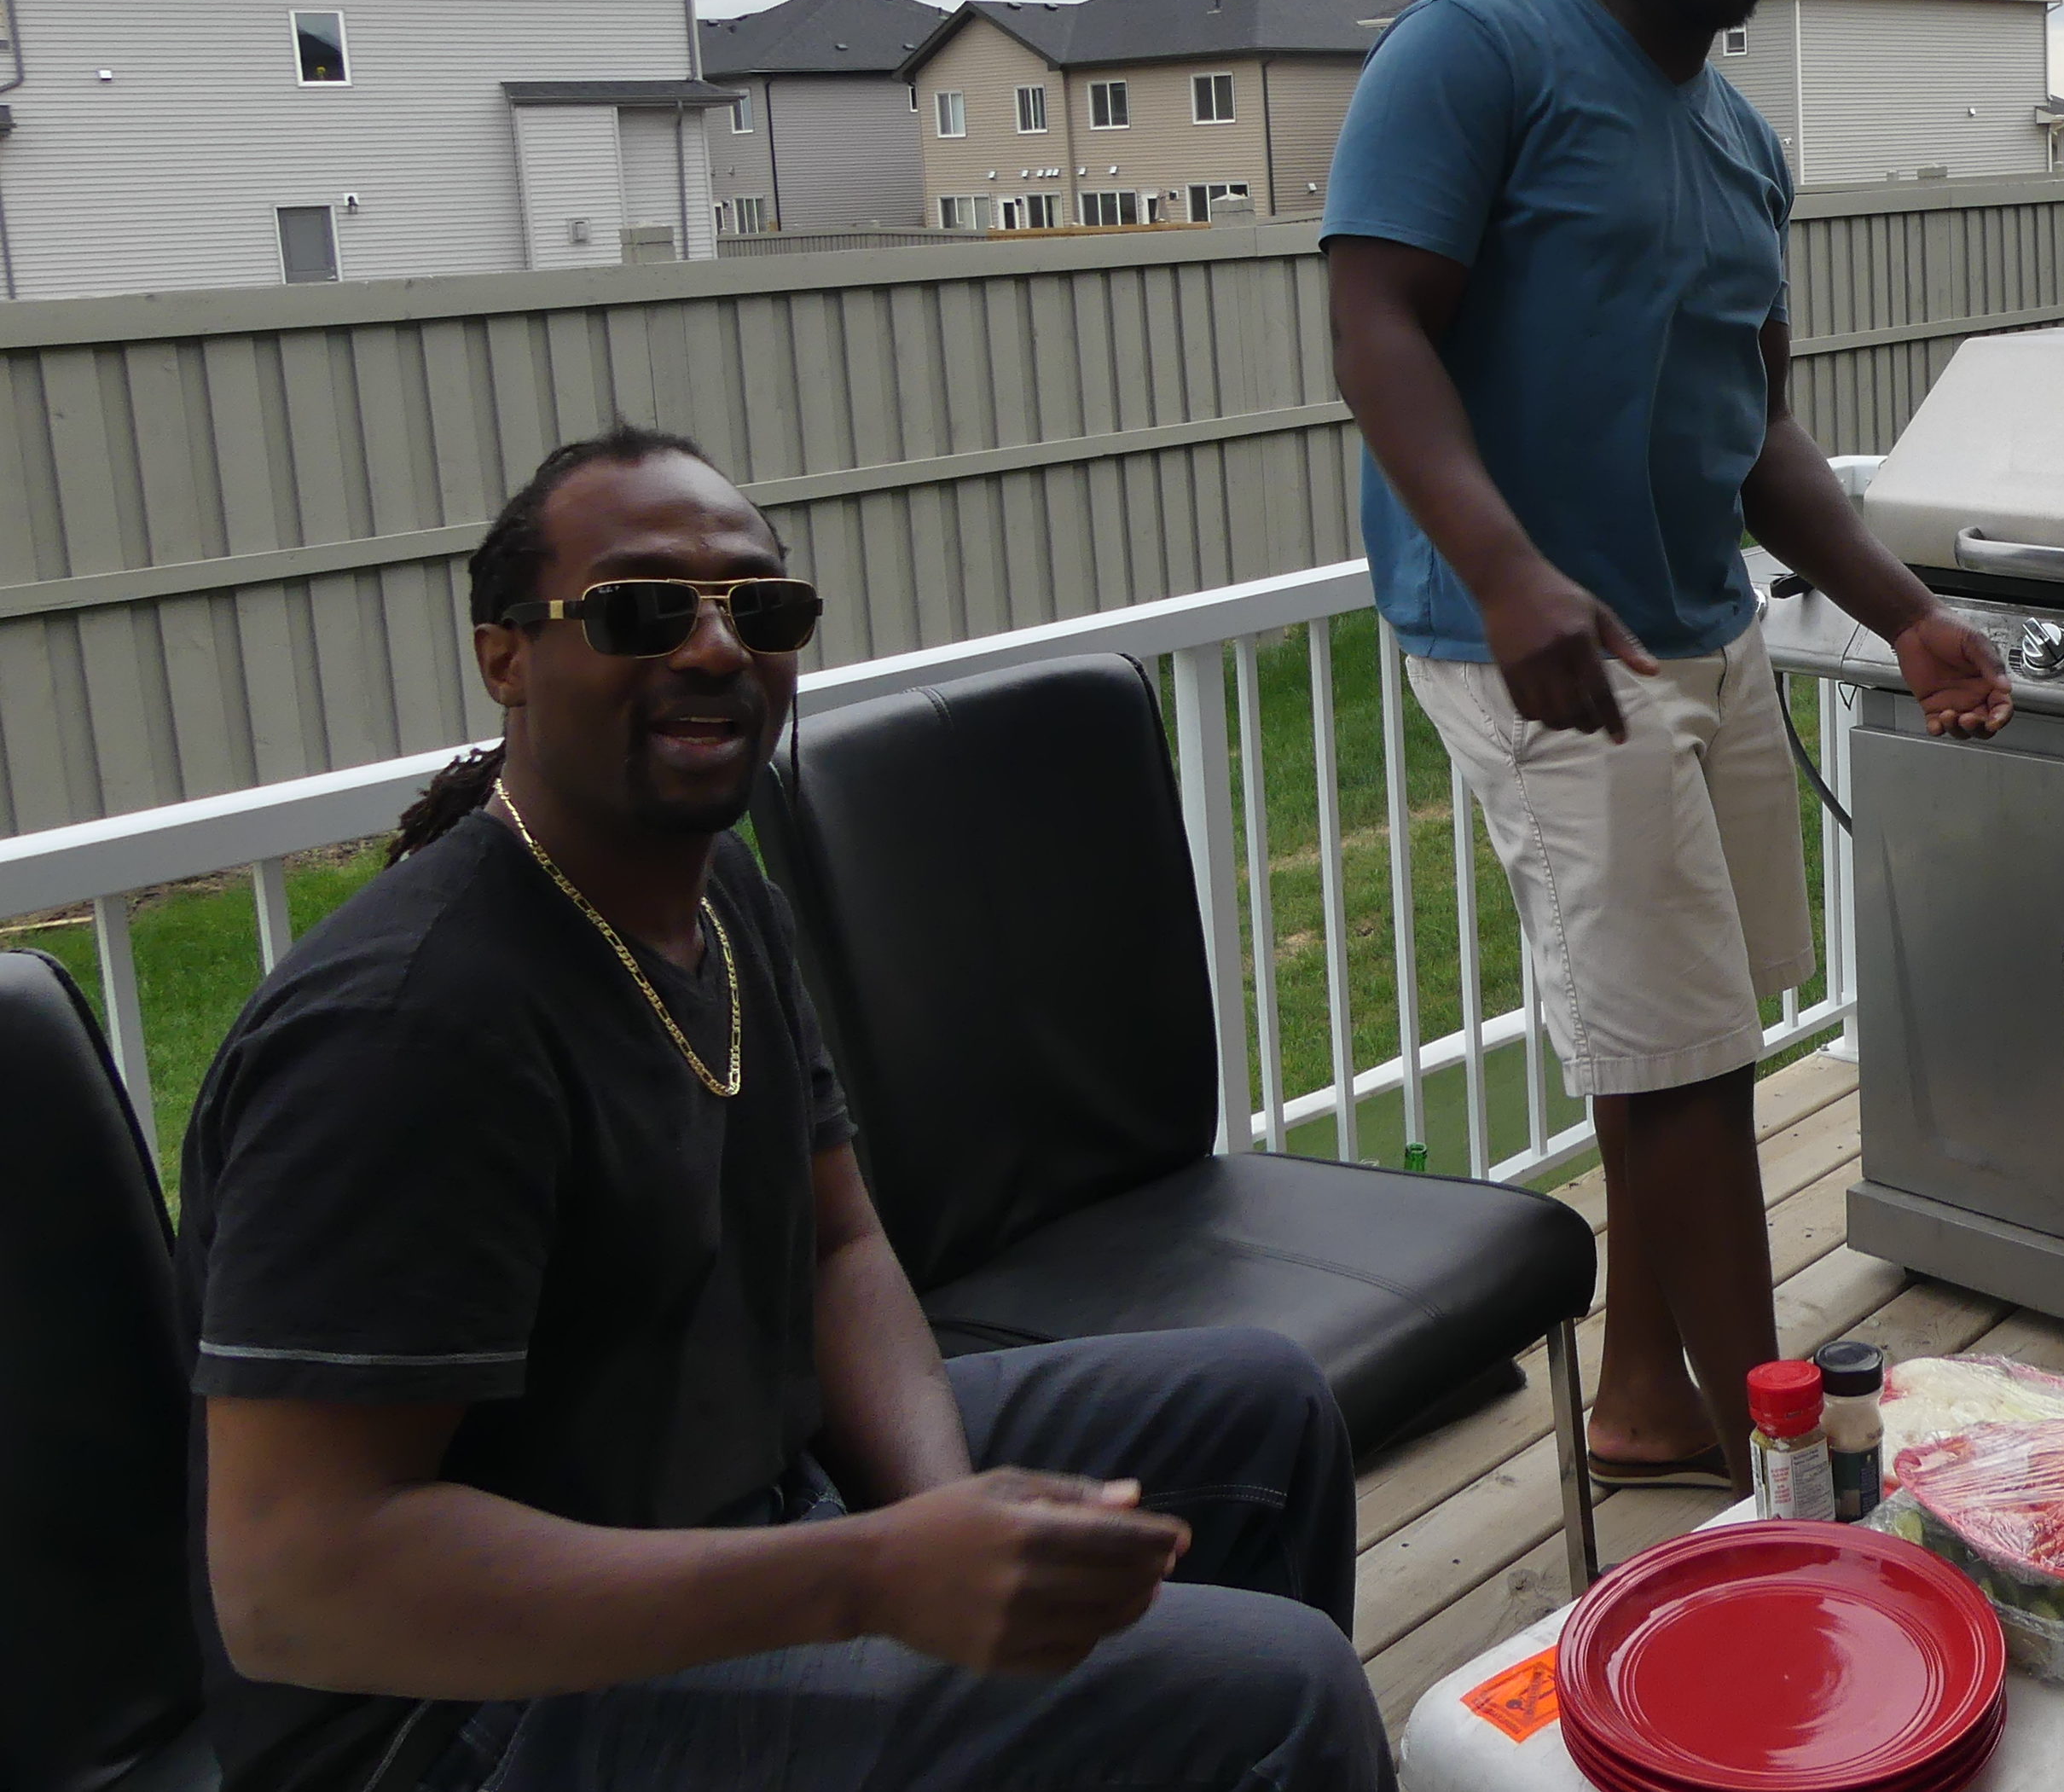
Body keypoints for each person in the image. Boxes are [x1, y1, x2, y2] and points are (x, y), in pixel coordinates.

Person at [177, 425, 1390, 1792]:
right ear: (504, 654)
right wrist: (871, 1576)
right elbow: (299, 1581)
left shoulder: (715, 894)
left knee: (1261, 1416)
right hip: (470, 1721)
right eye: (639, 609)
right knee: (1274, 1694)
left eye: (760, 606)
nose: (711, 647)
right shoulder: (405, 1030)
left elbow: (836, 1245)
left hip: (745, 1498)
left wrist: (943, 1519)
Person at [1322, 0, 2013, 1490]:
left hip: (1701, 624)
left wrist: (1904, 613)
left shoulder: (1738, 137)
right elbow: (1376, 325)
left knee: (1689, 1034)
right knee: (1690, 1061)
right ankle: (1777, 1453)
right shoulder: (1471, 53)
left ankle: (1642, 1396)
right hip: (1539, 651)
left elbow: (1750, 427)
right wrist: (1503, 570)